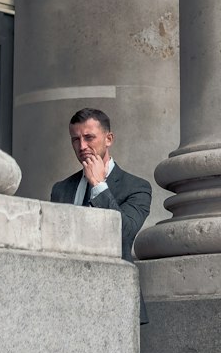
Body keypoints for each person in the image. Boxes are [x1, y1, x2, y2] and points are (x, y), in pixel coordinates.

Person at [51, 107, 152, 321]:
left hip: (114, 298)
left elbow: (124, 232)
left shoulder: (136, 187)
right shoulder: (61, 189)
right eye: (75, 140)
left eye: (89, 137)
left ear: (109, 139)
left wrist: (98, 185)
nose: (82, 146)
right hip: (67, 301)